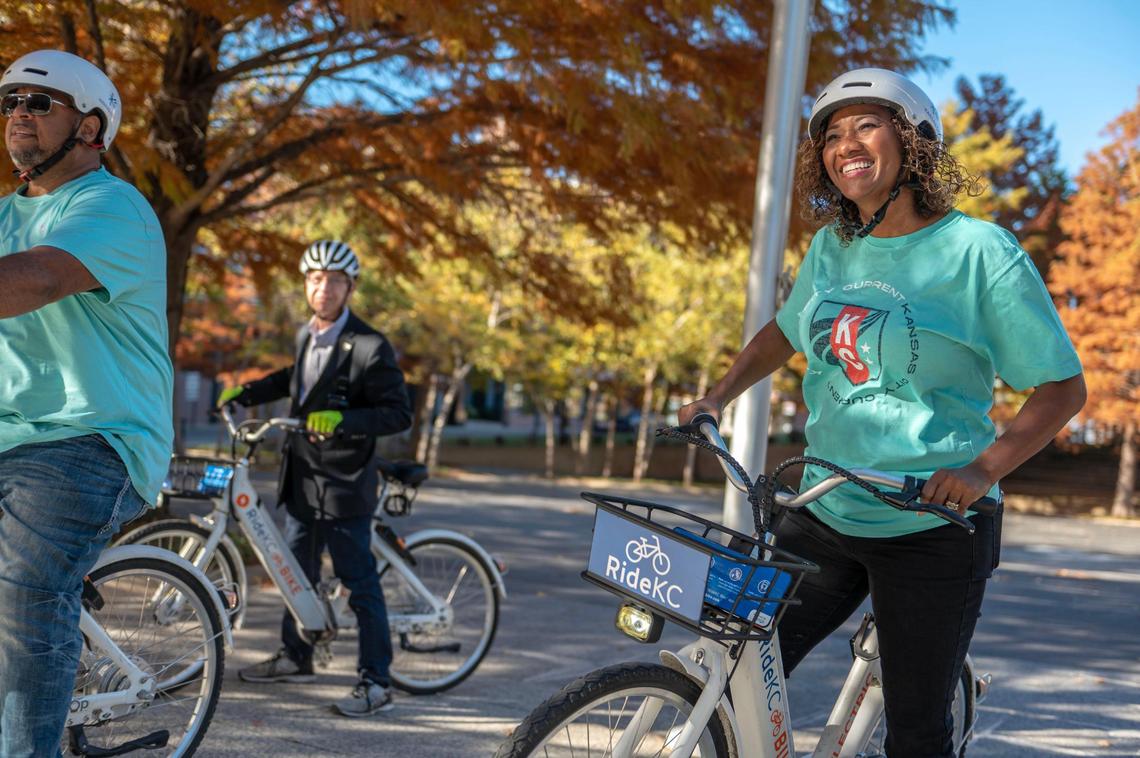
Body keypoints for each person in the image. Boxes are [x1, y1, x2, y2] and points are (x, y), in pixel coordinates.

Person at [679, 68, 1086, 757]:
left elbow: (1060, 389)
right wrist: (718, 394)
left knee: (916, 732)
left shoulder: (978, 251)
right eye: (832, 134)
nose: (846, 144)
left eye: (866, 124)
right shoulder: (832, 248)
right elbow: (785, 330)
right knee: (740, 664)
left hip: (930, 524)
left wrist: (982, 469)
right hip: (825, 506)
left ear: (912, 143)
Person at [0, 50, 173, 756]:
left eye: (39, 103)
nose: (17, 114)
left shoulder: (115, 207)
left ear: (92, 127)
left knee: (22, 594)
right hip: (13, 435)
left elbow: (36, 281)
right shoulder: (6, 214)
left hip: (90, 439)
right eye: (10, 101)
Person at [219, 239, 412, 717]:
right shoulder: (308, 335)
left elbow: (397, 414)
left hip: (345, 485)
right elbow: (296, 379)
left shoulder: (369, 346)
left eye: (334, 281)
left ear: (349, 288)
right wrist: (249, 391)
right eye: (314, 279)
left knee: (358, 581)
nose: (323, 288)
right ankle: (296, 654)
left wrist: (342, 421)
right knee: (295, 571)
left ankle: (376, 681)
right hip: (302, 478)